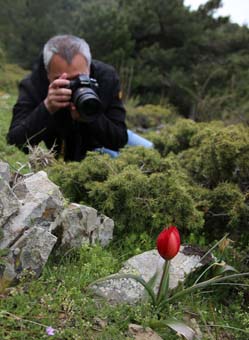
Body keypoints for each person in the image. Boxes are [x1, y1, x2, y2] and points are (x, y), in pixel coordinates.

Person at [7, 34, 153, 161]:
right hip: (77, 150)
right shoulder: (34, 85)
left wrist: (91, 117)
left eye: (78, 78)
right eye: (62, 80)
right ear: (47, 73)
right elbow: (15, 142)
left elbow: (119, 139)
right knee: (114, 160)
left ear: (89, 68)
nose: (71, 86)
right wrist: (47, 108)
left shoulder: (106, 77)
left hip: (106, 132)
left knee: (151, 151)